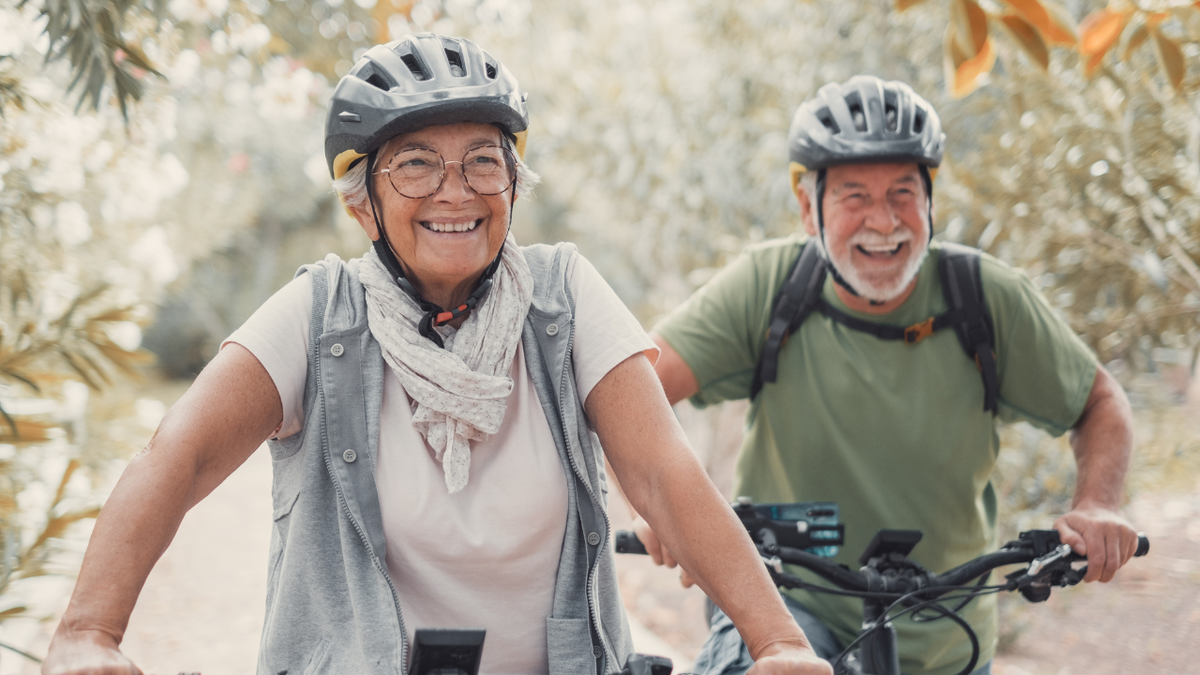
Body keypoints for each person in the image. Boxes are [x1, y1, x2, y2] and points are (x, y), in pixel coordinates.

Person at [41, 34, 832, 675]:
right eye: (416, 162)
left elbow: (664, 471)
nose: (455, 191)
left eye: (483, 160)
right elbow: (173, 457)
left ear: (512, 184)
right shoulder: (320, 314)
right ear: (365, 204)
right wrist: (87, 631)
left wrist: (779, 643)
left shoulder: (563, 295)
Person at [632, 75, 1141, 675]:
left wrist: (1100, 505)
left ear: (929, 203)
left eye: (903, 193)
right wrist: (666, 506)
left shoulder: (985, 299)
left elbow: (1098, 401)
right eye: (853, 196)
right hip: (786, 613)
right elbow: (634, 387)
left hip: (949, 639)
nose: (883, 220)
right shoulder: (768, 288)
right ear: (808, 208)